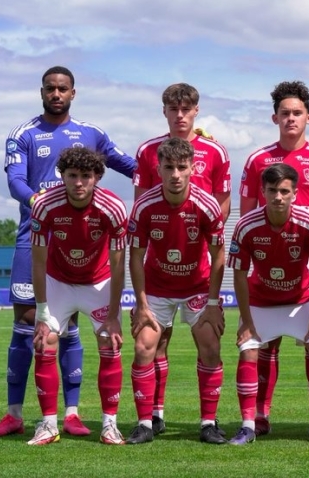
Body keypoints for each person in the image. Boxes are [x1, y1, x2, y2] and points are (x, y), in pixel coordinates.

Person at [0, 66, 135, 438]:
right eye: (50, 89)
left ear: (73, 93)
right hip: (35, 236)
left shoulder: (92, 134)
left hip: (85, 242)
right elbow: (15, 181)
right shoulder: (24, 133)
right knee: (28, 322)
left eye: (63, 89)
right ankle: (14, 413)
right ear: (42, 92)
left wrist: (167, 171)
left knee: (71, 328)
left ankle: (70, 413)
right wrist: (39, 200)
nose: (56, 94)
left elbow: (131, 166)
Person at [239, 80, 309, 436]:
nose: (291, 119)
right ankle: (261, 414)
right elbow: (248, 212)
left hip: (308, 264)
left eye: (297, 113)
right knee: (265, 346)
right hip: (267, 268)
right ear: (275, 117)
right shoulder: (257, 160)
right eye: (285, 113)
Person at [132, 83, 231, 435]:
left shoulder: (216, 152)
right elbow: (140, 217)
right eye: (173, 109)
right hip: (158, 278)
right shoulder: (146, 151)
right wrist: (140, 300)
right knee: (151, 345)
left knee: (209, 343)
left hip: (196, 276)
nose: (180, 115)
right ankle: (150, 418)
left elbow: (221, 208)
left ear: (196, 110)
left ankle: (209, 422)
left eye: (186, 108)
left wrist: (215, 298)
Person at [26, 147, 128, 445]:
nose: (79, 182)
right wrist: (42, 310)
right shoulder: (44, 205)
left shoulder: (113, 207)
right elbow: (38, 259)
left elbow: (118, 263)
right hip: (58, 281)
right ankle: (48, 425)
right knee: (44, 342)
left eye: (86, 176)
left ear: (97, 177)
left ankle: (110, 425)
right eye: (73, 175)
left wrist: (113, 313)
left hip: (98, 284)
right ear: (62, 176)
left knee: (110, 342)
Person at [228, 163, 309, 445]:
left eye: (284, 191)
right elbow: (239, 273)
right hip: (261, 300)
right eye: (272, 190)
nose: (278, 197)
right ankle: (250, 424)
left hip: (302, 300)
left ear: (295, 193)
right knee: (249, 352)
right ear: (262, 192)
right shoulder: (246, 225)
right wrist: (247, 322)